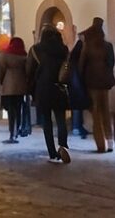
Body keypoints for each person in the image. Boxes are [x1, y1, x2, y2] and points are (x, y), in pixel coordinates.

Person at [29, 25, 72, 164]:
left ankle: (52, 152)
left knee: (46, 121)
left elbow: (29, 70)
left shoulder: (35, 50)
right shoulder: (63, 49)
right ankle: (63, 146)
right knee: (60, 119)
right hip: (59, 87)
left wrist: (31, 89)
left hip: (43, 88)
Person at [76, 17, 115, 153]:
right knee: (106, 111)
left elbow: (81, 65)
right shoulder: (108, 46)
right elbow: (111, 63)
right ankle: (110, 141)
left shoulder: (88, 47)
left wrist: (81, 81)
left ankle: (101, 144)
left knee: (96, 114)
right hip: (105, 83)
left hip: (92, 83)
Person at [0, 35, 29, 144]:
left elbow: (0, 70)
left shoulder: (4, 55)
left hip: (8, 85)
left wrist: (1, 82)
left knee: (10, 110)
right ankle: (16, 131)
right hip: (21, 86)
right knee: (18, 109)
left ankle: (11, 132)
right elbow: (28, 71)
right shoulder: (24, 56)